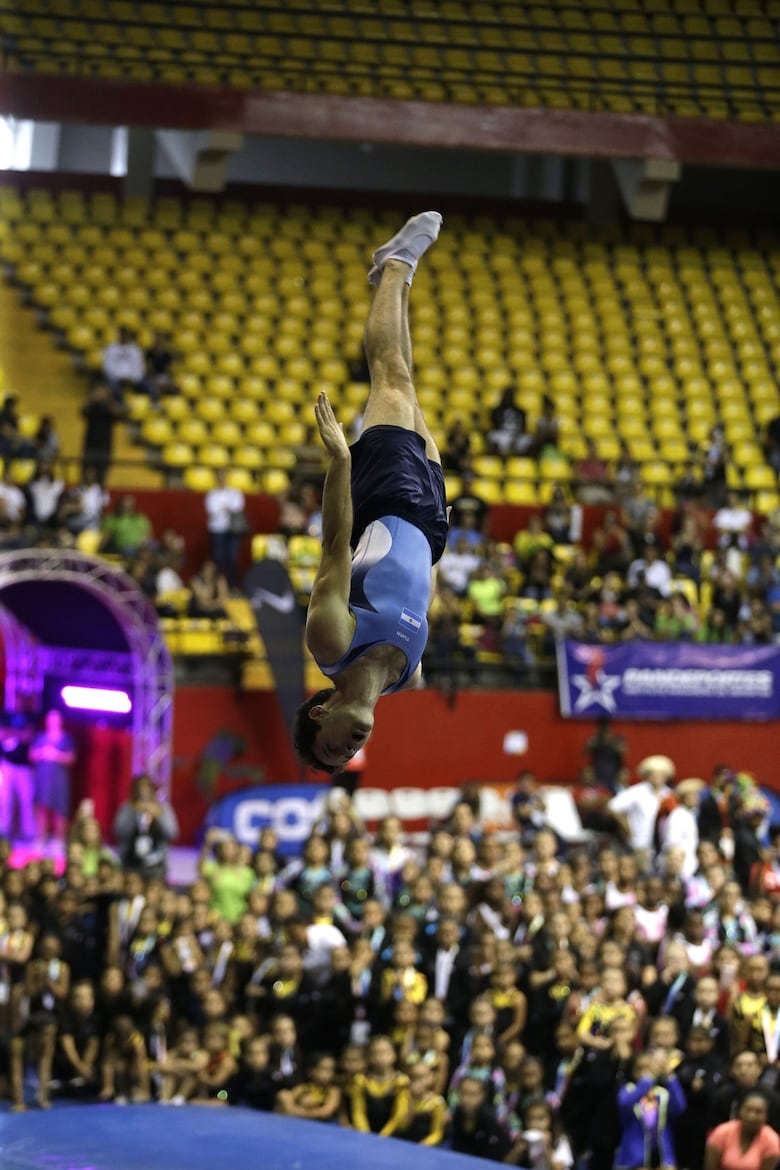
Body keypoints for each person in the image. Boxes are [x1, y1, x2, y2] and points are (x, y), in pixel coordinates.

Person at [293, 212, 449, 772]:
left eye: (335, 745)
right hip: (429, 522)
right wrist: (436, 538)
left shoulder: (331, 642)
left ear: (321, 712)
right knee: (407, 380)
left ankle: (397, 262)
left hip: (382, 499)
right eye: (350, 755)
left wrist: (340, 462)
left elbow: (335, 543)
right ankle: (393, 274)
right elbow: (424, 592)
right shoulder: (411, 677)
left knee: (390, 375)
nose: (350, 747)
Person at [112, 773, 179, 880]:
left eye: (147, 786)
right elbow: (119, 832)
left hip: (156, 865)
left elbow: (172, 833)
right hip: (130, 865)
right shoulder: (126, 808)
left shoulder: (163, 808)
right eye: (140, 786)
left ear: (152, 789)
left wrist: (159, 816)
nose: (143, 790)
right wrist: (133, 812)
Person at [30, 709, 75, 848]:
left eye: (56, 719)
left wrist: (56, 755)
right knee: (41, 808)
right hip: (43, 778)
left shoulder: (66, 738)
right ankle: (41, 838)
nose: (53, 722)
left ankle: (58, 840)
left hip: (59, 779)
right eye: (51, 719)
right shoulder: (40, 737)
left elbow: (71, 758)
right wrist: (42, 752)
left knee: (59, 809)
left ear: (60, 721)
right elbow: (31, 755)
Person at [705, 1092, 780, 1170]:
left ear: (766, 1116)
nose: (751, 1116)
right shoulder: (722, 1131)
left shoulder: (772, 1140)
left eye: (758, 1112)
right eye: (748, 1110)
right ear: (740, 1111)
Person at [205, 468, 246, 590]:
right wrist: (226, 507)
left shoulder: (234, 493)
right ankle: (218, 586)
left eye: (223, 476)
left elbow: (238, 507)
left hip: (233, 530)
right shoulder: (212, 494)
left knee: (232, 558)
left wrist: (223, 508)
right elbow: (212, 510)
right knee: (219, 558)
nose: (221, 479)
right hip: (217, 530)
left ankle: (232, 585)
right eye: (219, 477)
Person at [81, 380, 124, 483]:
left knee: (102, 478)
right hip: (90, 447)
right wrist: (92, 398)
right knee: (85, 478)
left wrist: (109, 399)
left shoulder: (109, 408)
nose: (101, 394)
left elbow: (118, 415)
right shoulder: (92, 407)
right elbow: (83, 412)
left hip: (105, 448)